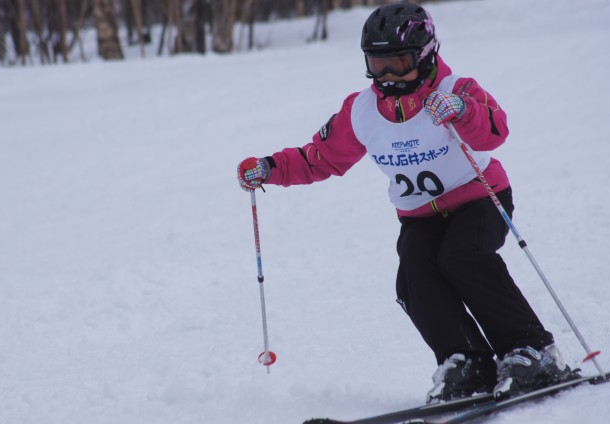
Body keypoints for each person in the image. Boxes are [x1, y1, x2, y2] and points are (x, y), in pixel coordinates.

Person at [237, 2, 575, 402]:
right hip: (419, 216)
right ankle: (466, 361)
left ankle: (530, 349)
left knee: (463, 257)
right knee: (414, 274)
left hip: (479, 198)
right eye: (378, 64)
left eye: (399, 62)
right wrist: (270, 168)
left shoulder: (455, 90)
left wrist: (463, 111)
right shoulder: (362, 111)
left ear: (427, 54)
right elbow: (322, 157)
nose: (388, 74)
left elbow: (494, 131)